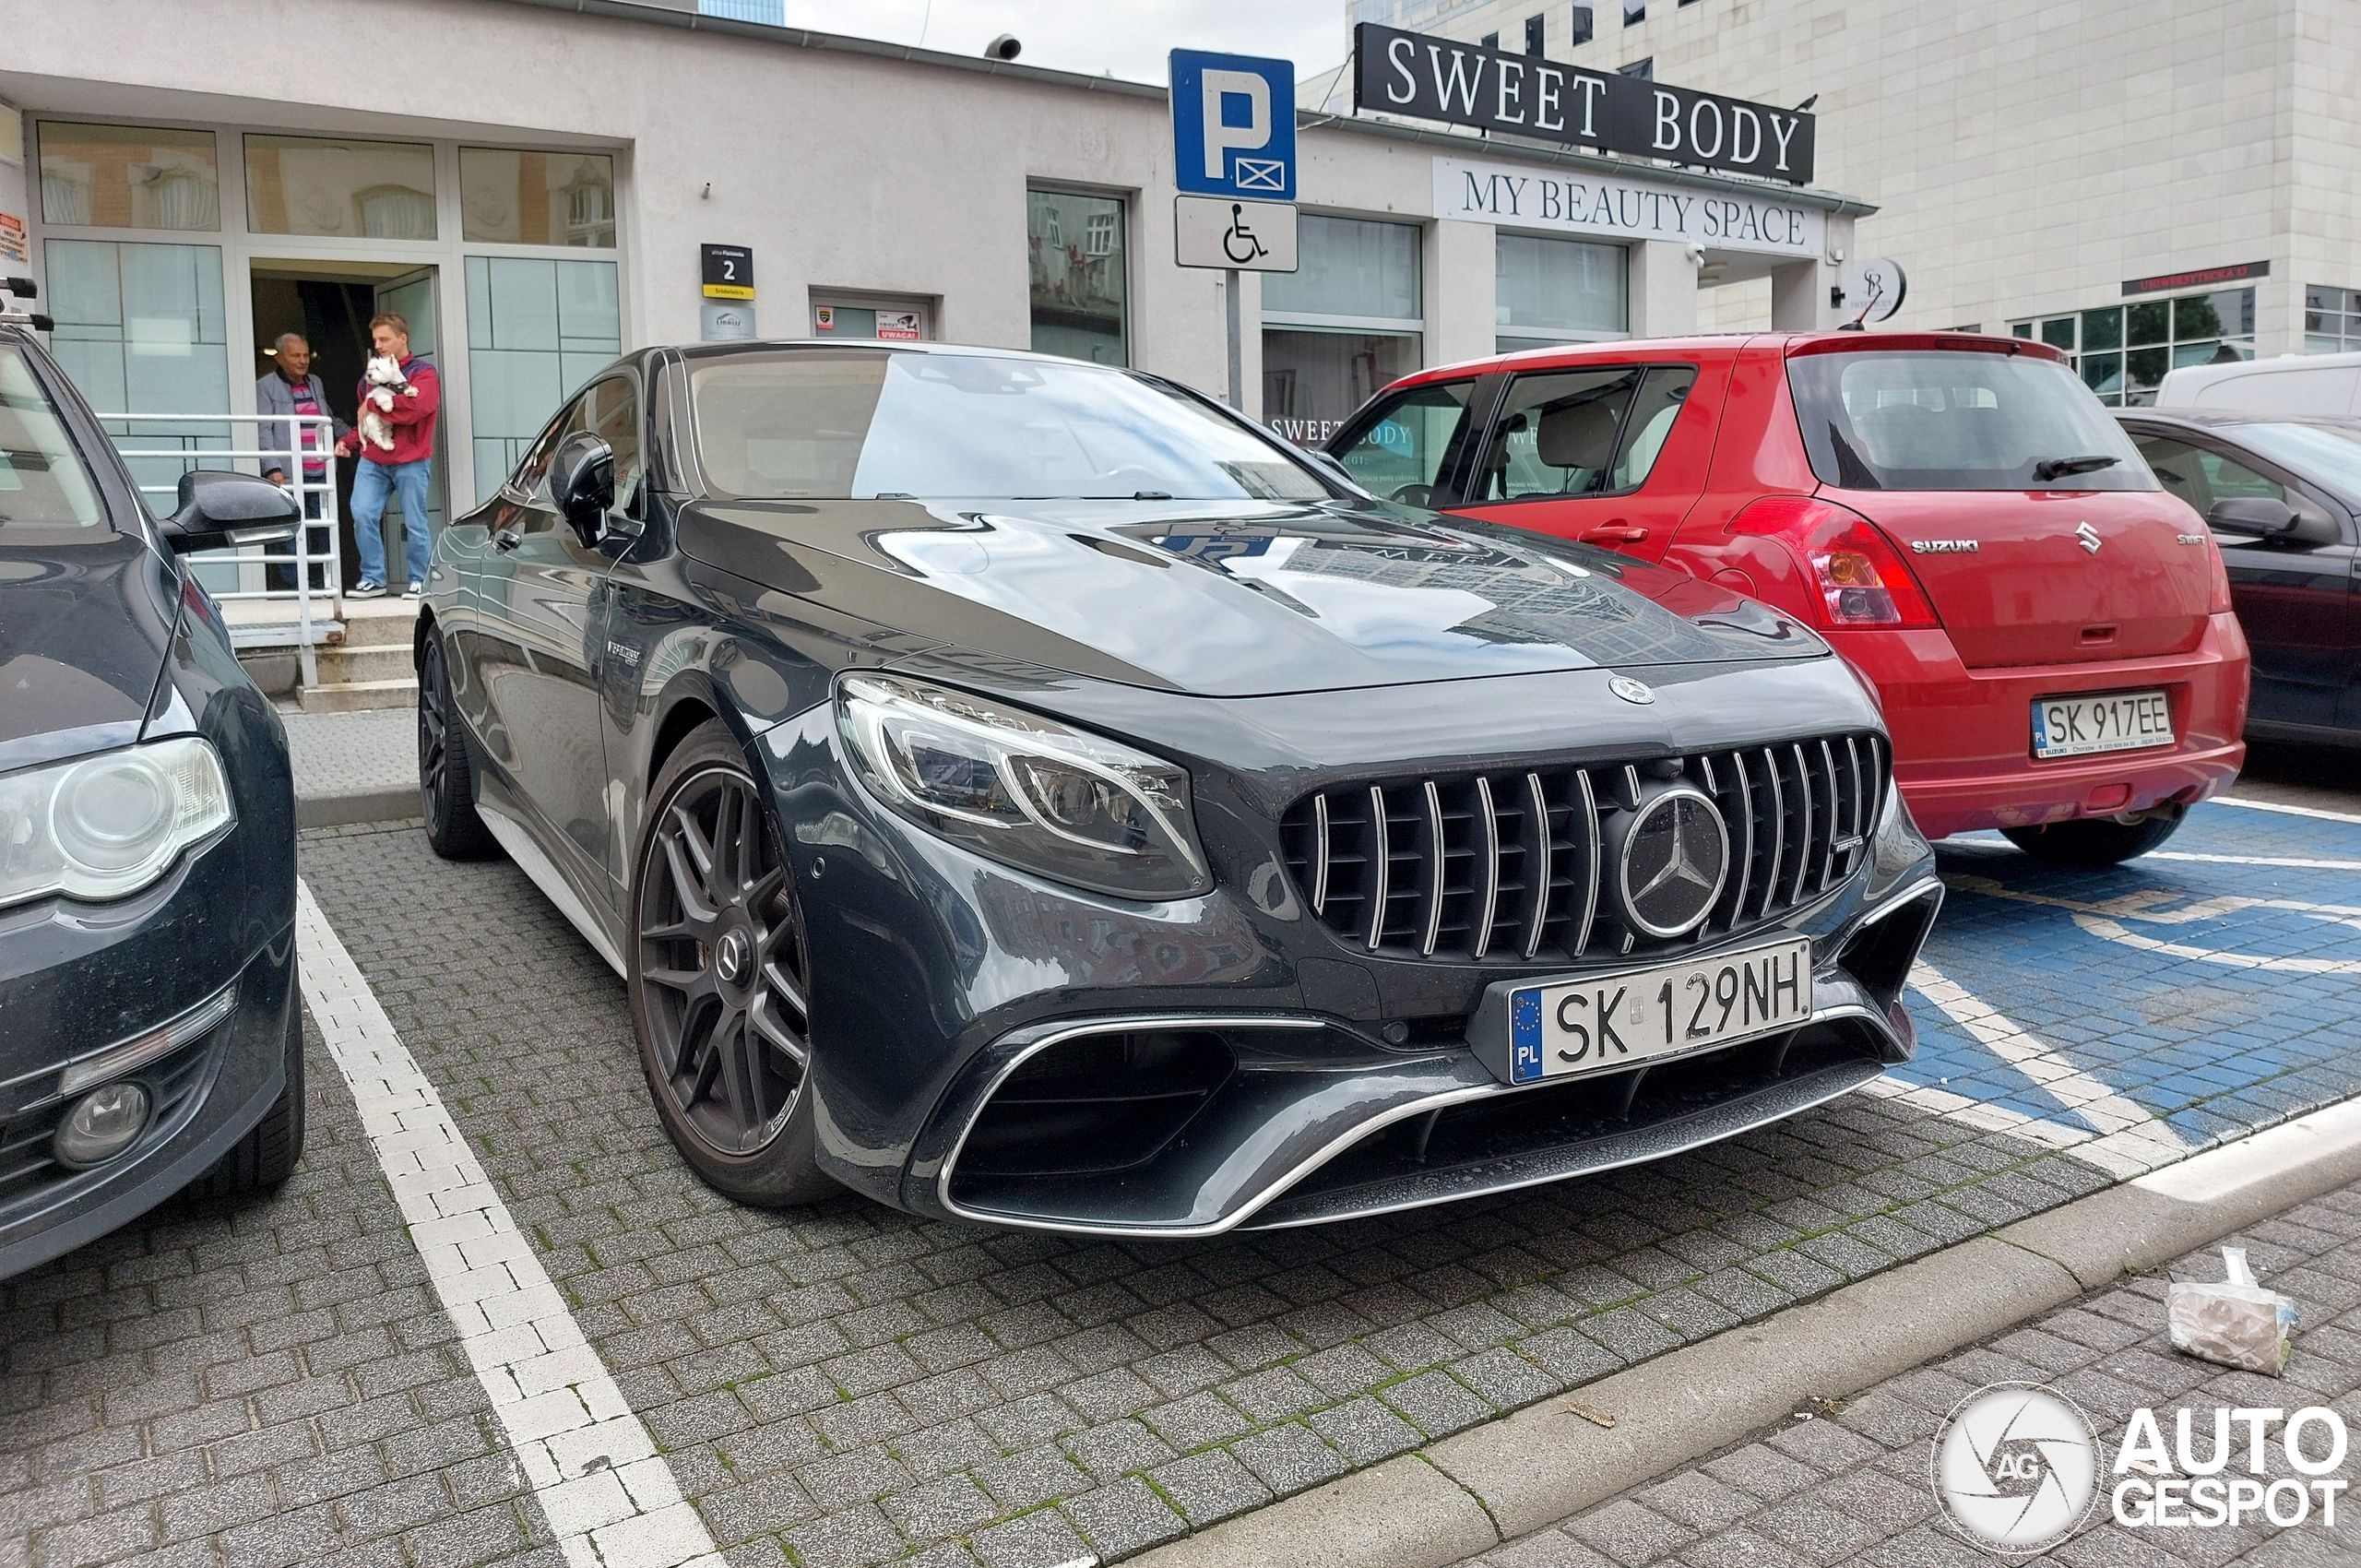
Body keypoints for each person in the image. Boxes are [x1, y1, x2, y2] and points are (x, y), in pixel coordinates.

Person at [334, 313, 440, 599]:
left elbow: (418, 408)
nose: (378, 345)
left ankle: (419, 580)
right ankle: (373, 578)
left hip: (412, 460)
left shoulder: (423, 373)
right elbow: (367, 422)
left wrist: (376, 408)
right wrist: (349, 441)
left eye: (384, 339)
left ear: (402, 338)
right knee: (362, 514)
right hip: (374, 458)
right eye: (375, 340)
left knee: (414, 521)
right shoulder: (368, 378)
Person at [255, 332, 348, 593]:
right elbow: (264, 429)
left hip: (319, 469)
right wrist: (271, 467)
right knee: (290, 529)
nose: (302, 360)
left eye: (305, 355)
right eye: (295, 355)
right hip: (288, 471)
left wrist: (351, 436)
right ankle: (295, 587)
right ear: (280, 357)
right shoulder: (266, 386)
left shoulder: (315, 382)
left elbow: (325, 417)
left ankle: (318, 584)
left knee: (319, 529)